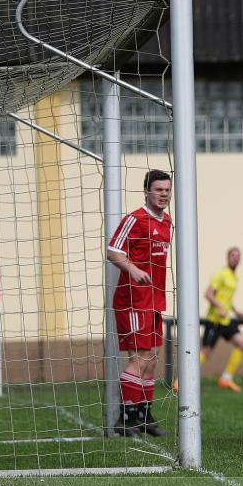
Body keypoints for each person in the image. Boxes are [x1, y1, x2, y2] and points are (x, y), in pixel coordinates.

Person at [107, 169, 172, 437]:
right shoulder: (134, 219)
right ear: (147, 191)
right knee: (138, 358)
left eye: (167, 190)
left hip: (154, 300)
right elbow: (113, 251)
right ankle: (126, 417)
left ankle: (144, 414)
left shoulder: (166, 221)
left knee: (152, 359)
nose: (164, 194)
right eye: (158, 190)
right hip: (132, 299)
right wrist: (132, 270)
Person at [202, 247, 243, 392]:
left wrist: (236, 311)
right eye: (233, 255)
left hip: (226, 320)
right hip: (214, 319)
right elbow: (209, 294)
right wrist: (220, 308)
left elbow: (227, 298)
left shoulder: (234, 277)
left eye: (238, 256)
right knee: (206, 353)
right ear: (227, 257)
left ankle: (226, 378)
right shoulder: (221, 274)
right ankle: (181, 381)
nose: (236, 258)